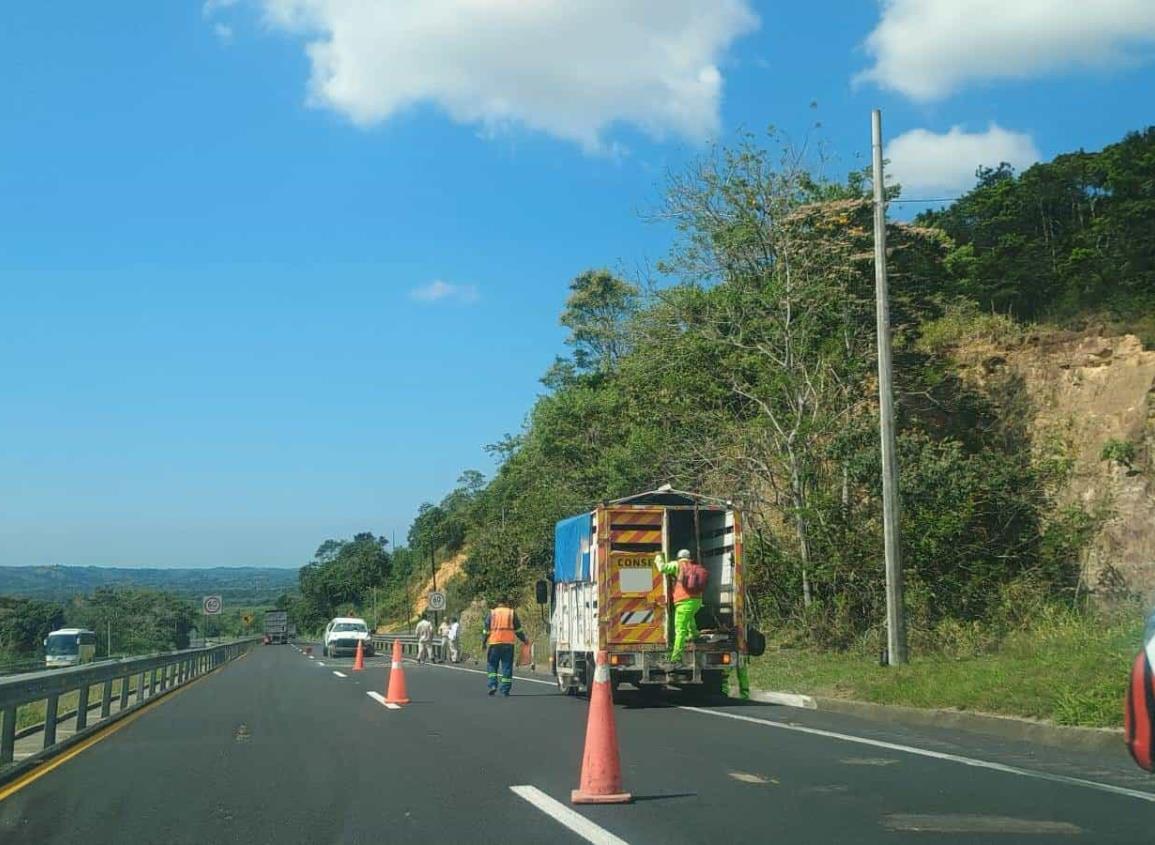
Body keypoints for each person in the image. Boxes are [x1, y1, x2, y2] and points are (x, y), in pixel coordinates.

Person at [654, 548, 707, 666]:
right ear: (689, 558)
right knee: (690, 617)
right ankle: (694, 635)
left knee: (680, 630)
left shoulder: (676, 565)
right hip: (697, 601)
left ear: (679, 557)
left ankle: (676, 657)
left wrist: (658, 557)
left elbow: (662, 568)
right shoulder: (695, 567)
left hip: (684, 602)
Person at [483, 598, 527, 696]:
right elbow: (518, 630)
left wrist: (483, 642)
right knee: (507, 667)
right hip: (508, 644)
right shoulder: (511, 613)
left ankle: (493, 685)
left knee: (492, 665)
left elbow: (486, 630)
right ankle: (505, 690)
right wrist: (524, 640)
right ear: (506, 603)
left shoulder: (492, 613)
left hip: (494, 643)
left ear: (497, 603)